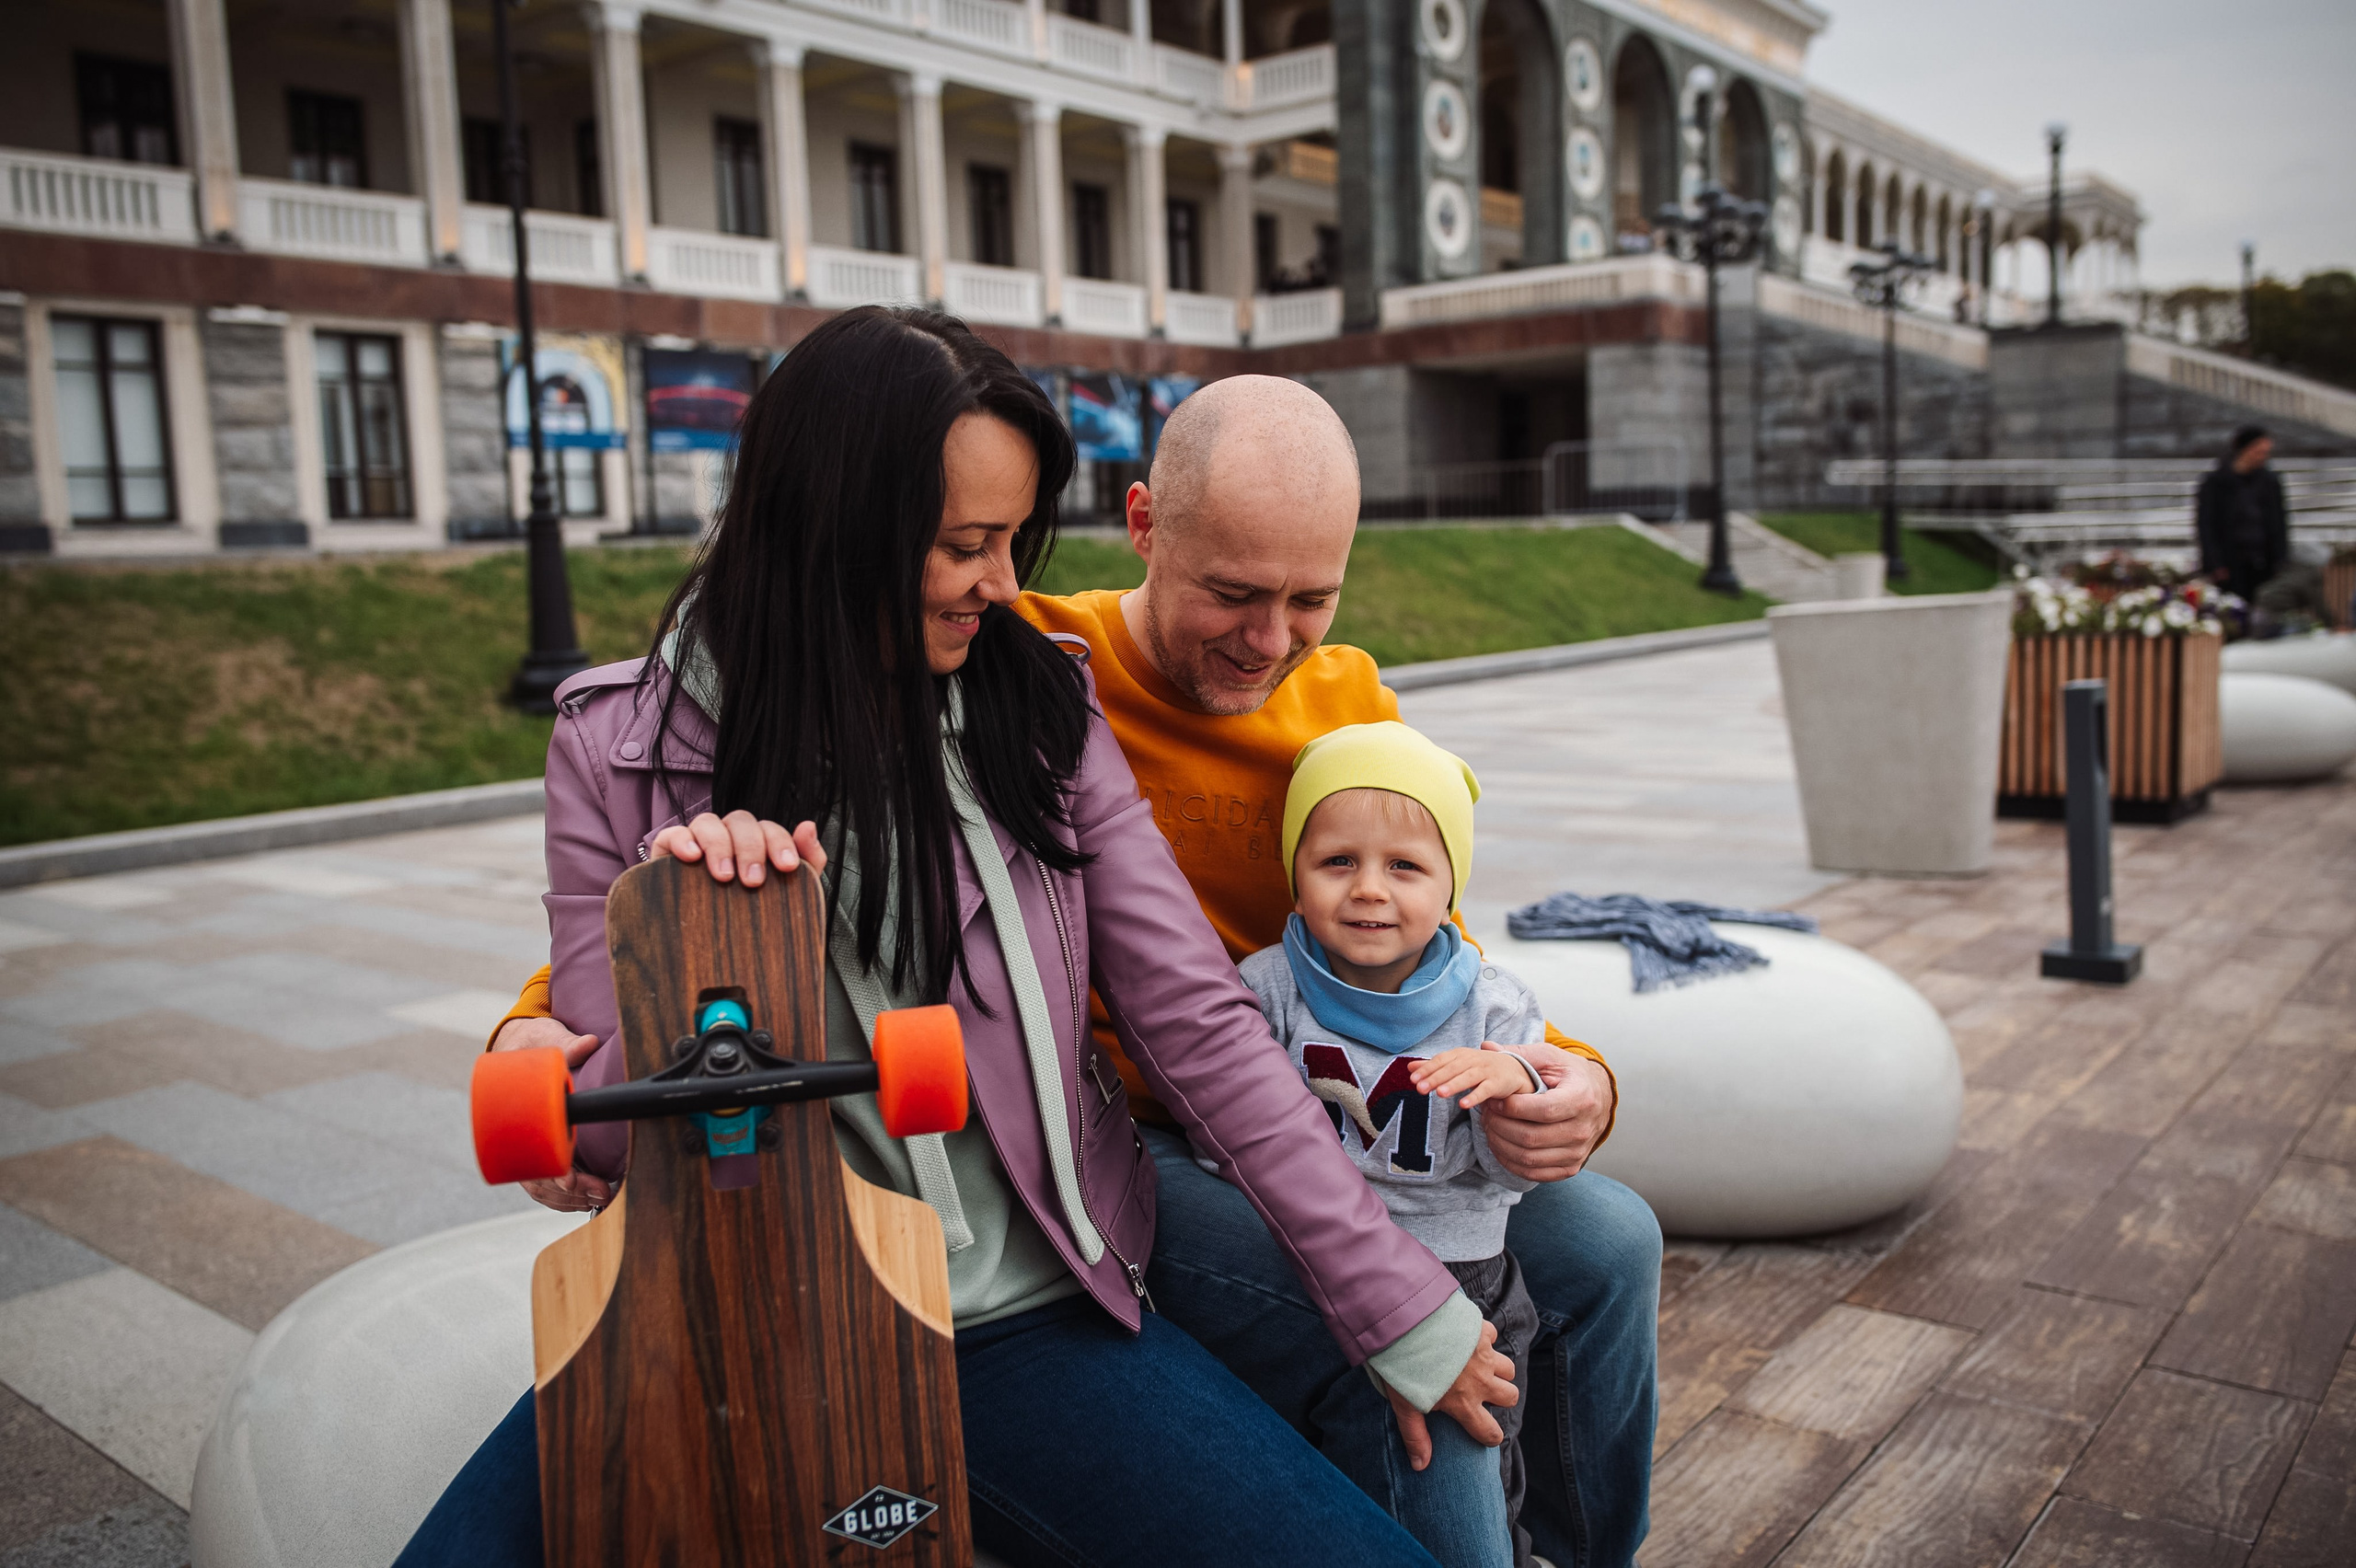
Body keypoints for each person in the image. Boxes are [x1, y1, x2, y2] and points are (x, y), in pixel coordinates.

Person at [400, 308, 1522, 1567]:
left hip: (1019, 1309)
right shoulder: (616, 750)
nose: (1003, 584)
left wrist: (1397, 1308)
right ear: (831, 533)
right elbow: (608, 1152)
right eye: (964, 546)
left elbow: (1199, 1024)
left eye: (1015, 540)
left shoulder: (1038, 704)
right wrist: (689, 934)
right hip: (726, 1314)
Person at [1237, 721, 1556, 1567]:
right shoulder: (1266, 989)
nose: (1370, 890)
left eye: (1405, 867)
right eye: (1337, 862)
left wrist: (1510, 1100)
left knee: (1484, 1465)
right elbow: (1231, 1135)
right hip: (1317, 1269)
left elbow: (1508, 1176)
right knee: (1314, 1460)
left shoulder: (1495, 1009)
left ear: (1451, 883)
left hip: (1467, 1278)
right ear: (1295, 874)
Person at [2197, 424, 2288, 604]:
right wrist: (2215, 564)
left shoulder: (2269, 482)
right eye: (2259, 452)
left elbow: (2279, 524)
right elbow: (2206, 525)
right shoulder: (2216, 483)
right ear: (2245, 450)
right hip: (2230, 563)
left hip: (2263, 563)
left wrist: (2280, 561)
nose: (2264, 457)